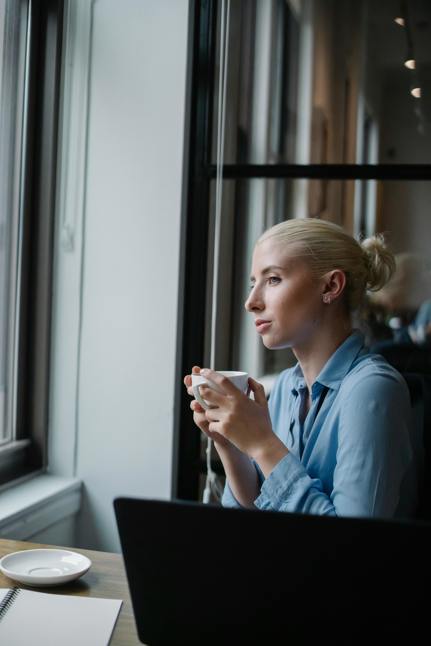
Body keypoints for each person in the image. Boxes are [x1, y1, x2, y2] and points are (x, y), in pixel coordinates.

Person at [184, 218, 419, 519]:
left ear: (331, 286)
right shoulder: (286, 386)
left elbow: (352, 547)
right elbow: (255, 515)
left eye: (273, 279)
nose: (250, 302)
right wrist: (231, 444)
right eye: (254, 283)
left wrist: (261, 443)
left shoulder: (372, 390)